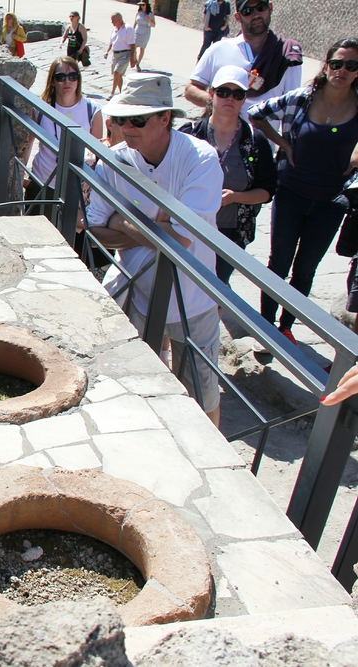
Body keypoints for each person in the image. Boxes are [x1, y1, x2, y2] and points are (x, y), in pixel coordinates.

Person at [87, 74, 224, 426]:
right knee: (138, 384)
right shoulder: (114, 159)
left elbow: (179, 242)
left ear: (165, 118)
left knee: (202, 395)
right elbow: (94, 230)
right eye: (119, 119)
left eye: (137, 119)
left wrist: (124, 222)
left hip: (193, 297)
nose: (126, 128)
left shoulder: (200, 159)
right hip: (141, 291)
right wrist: (157, 228)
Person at [248, 37, 358, 344]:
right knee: (278, 262)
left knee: (305, 270)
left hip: (331, 202)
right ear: (326, 65)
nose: (342, 70)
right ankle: (266, 323)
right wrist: (282, 143)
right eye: (337, 63)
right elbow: (257, 113)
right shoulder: (305, 97)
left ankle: (286, 326)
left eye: (351, 65)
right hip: (291, 193)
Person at [179, 65, 276, 286]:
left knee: (217, 285)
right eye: (223, 92)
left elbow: (267, 191)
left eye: (237, 94)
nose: (229, 99)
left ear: (244, 99)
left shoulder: (255, 140)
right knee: (185, 282)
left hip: (231, 230)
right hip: (190, 224)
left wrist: (234, 197)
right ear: (211, 94)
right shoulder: (189, 134)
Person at [186, 0, 303, 132]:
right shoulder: (218, 50)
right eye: (248, 11)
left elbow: (292, 109)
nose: (256, 14)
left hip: (262, 147)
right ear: (237, 17)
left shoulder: (286, 56)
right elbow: (190, 89)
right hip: (217, 142)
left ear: (270, 8)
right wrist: (219, 102)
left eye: (261, 7)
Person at [22, 56, 104, 216]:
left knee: (69, 239)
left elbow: (95, 154)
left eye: (73, 76)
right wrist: (21, 178)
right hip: (42, 182)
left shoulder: (92, 110)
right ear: (52, 81)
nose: (68, 82)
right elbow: (27, 145)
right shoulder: (40, 108)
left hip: (75, 188)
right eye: (61, 77)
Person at [104, 13, 136, 99]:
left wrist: (133, 58)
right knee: (118, 75)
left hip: (125, 54)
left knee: (116, 73)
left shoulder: (128, 28)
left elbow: (132, 44)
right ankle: (123, 92)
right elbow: (111, 42)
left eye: (113, 20)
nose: (112, 22)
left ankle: (112, 93)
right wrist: (107, 51)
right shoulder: (114, 29)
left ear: (119, 19)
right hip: (115, 54)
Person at [133, 2, 156, 72]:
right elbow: (135, 23)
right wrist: (131, 31)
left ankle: (138, 64)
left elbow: (153, 25)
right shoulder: (138, 13)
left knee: (142, 49)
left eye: (143, 5)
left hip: (145, 33)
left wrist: (148, 20)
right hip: (137, 32)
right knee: (133, 48)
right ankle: (135, 61)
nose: (142, 6)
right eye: (140, 5)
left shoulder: (150, 14)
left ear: (146, 5)